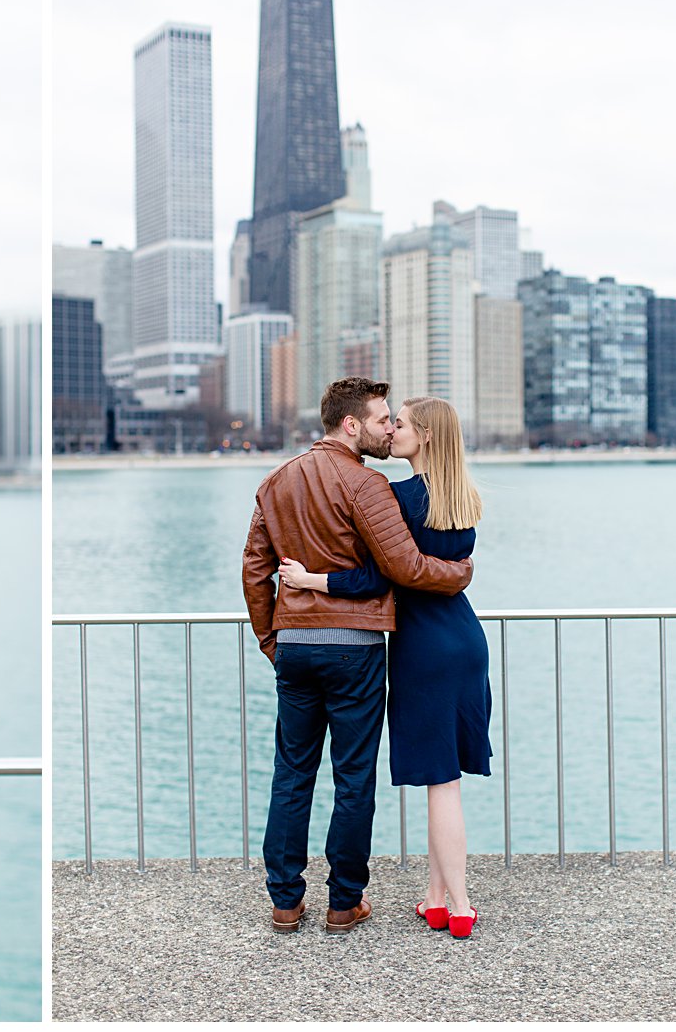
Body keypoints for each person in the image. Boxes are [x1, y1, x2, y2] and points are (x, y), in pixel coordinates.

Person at [241, 376, 473, 935]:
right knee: (353, 777)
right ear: (351, 424)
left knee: (291, 772)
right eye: (380, 419)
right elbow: (404, 568)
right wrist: (459, 573)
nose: (388, 428)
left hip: (295, 645)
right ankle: (344, 903)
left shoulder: (276, 482)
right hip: (355, 647)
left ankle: (285, 901)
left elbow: (254, 569)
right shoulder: (366, 485)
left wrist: (272, 639)